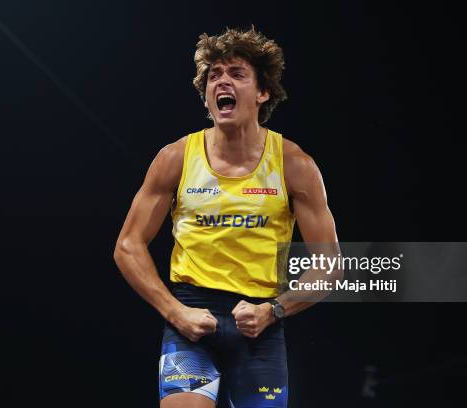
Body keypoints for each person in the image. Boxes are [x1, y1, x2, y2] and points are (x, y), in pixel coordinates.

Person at [114, 26, 340, 408]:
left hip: (259, 323)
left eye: (237, 74)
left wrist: (275, 309)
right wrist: (175, 311)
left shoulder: (294, 164)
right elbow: (127, 245)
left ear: (262, 92)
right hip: (191, 320)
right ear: (206, 95)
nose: (222, 81)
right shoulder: (176, 158)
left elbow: (330, 265)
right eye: (214, 75)